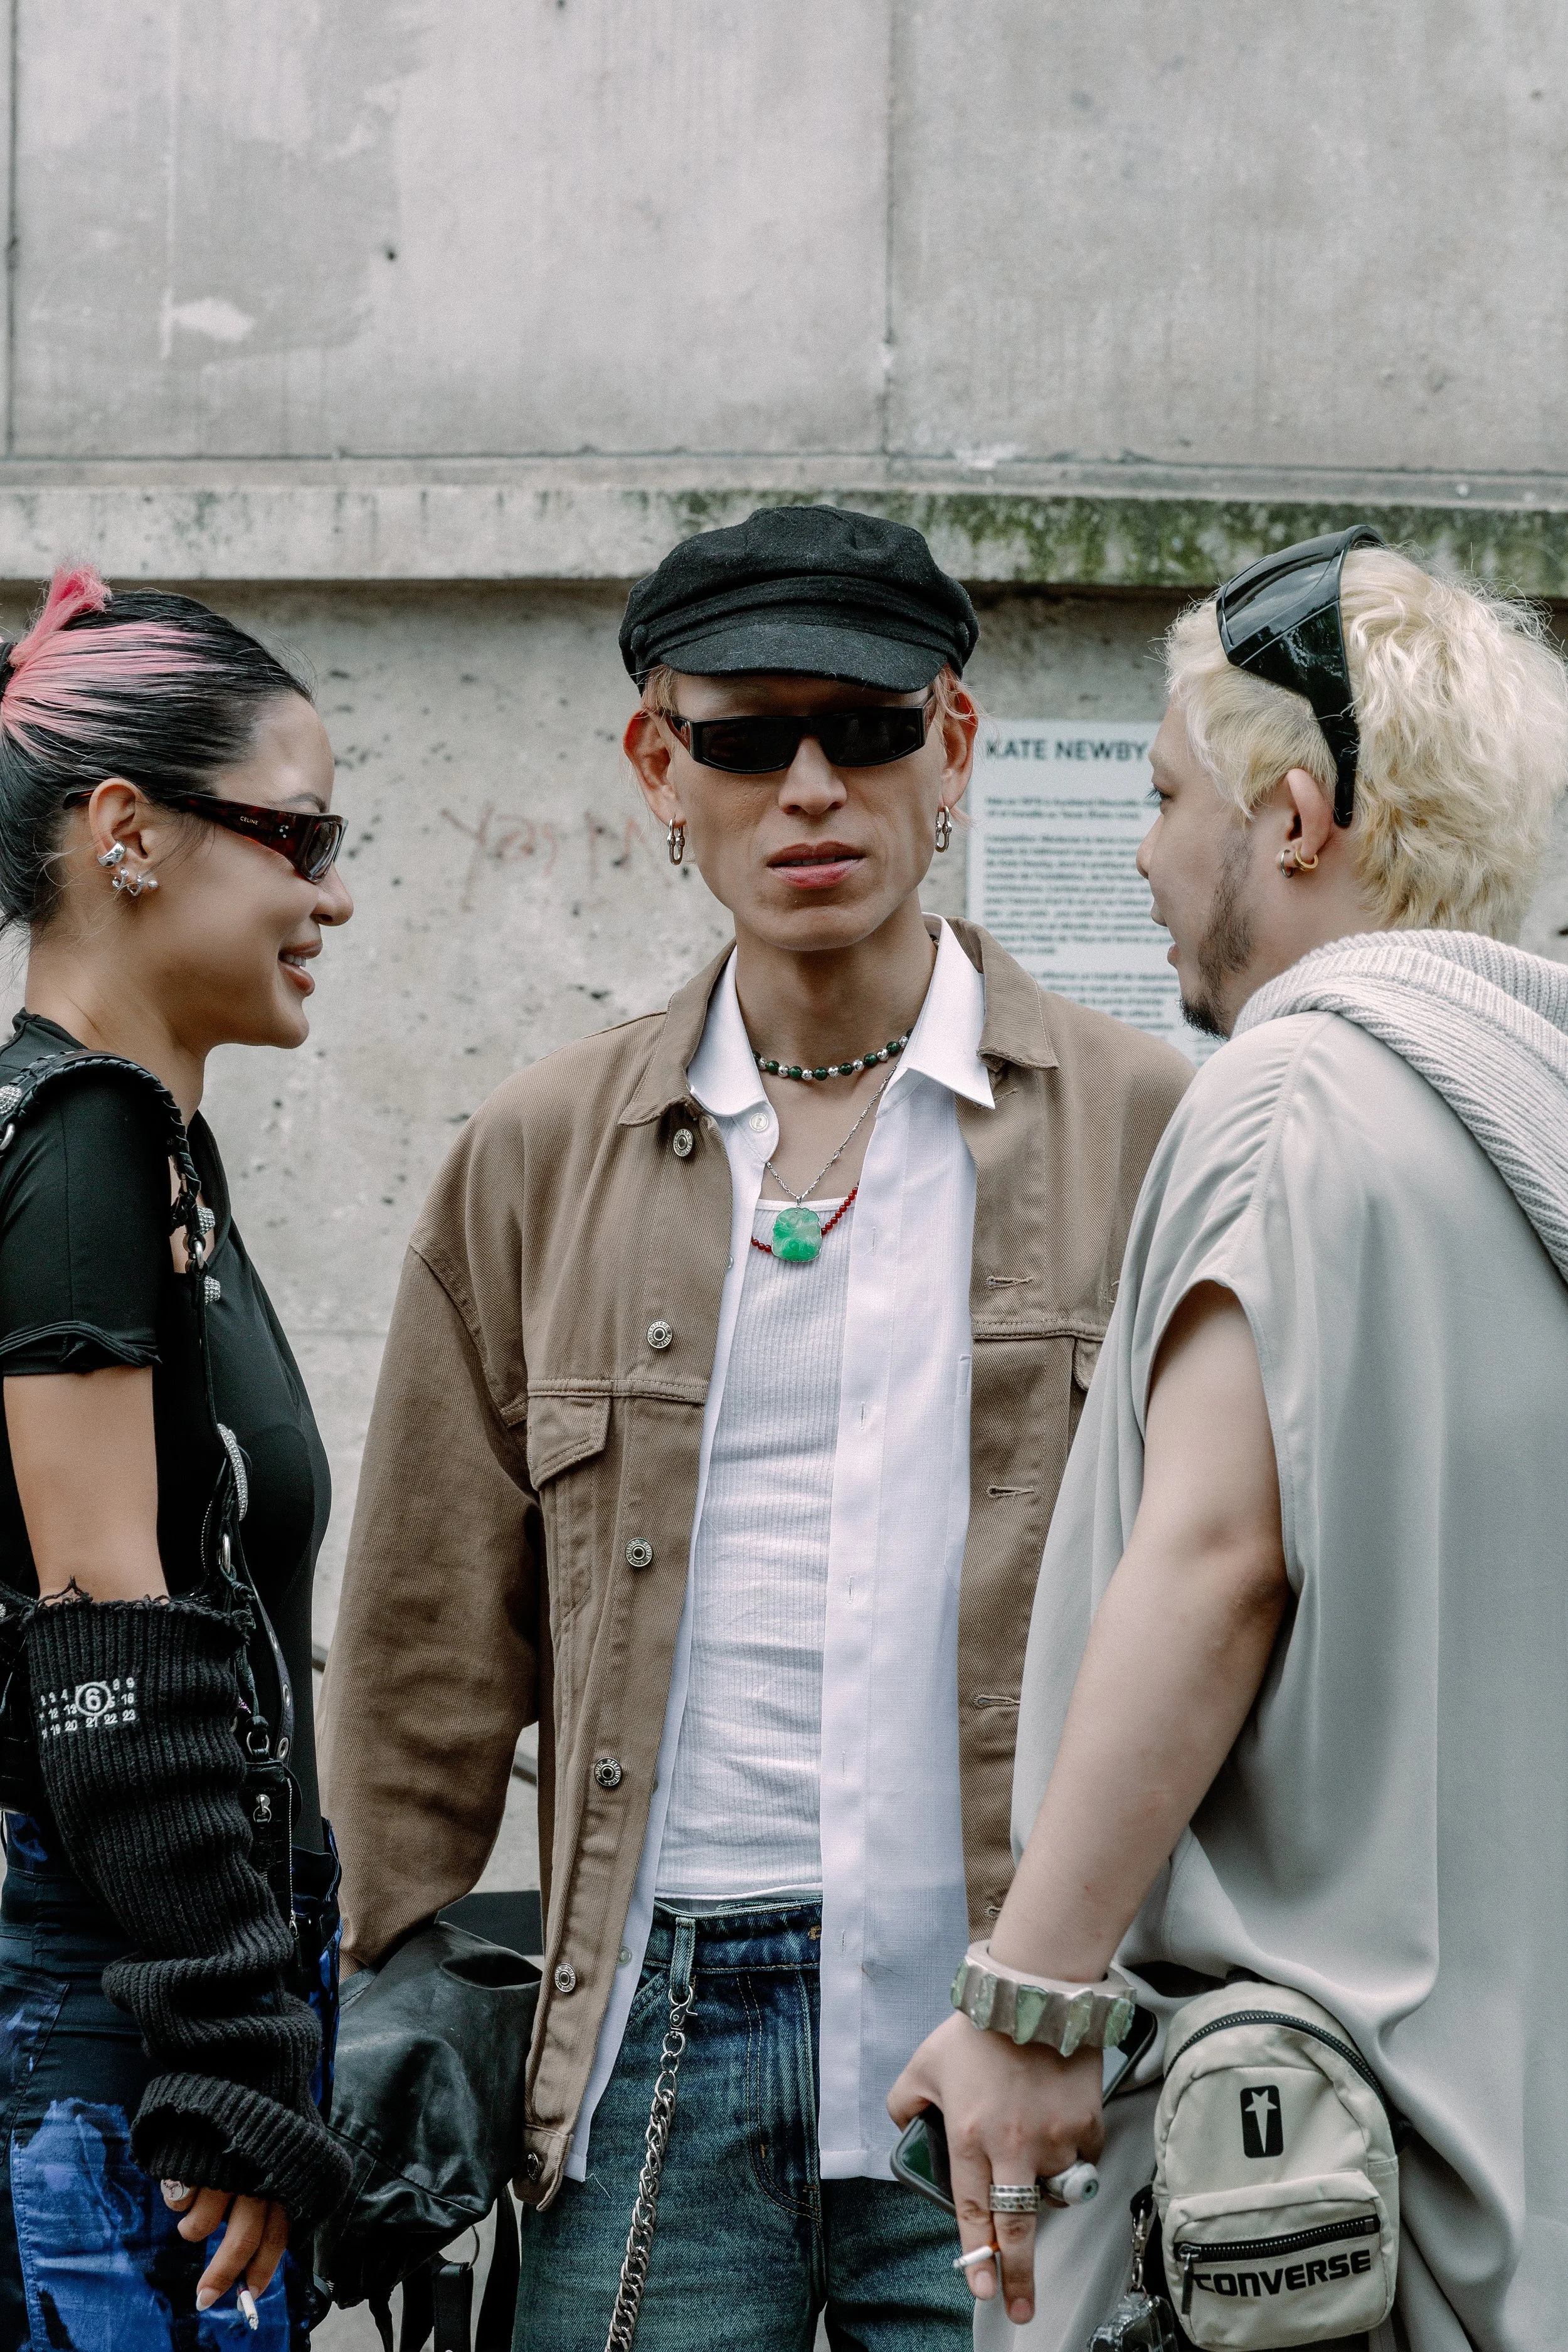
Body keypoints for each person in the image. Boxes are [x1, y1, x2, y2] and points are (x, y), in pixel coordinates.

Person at [319, 504, 1191, 2350]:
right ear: (661, 766)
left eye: (865, 728)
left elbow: (1226, 1585)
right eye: (743, 738)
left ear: (952, 746)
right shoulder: (537, 1158)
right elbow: (418, 1648)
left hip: (1015, 2013)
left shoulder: (1142, 1133)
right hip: (650, 2027)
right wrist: (392, 1980)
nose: (810, 786)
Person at [889, 530, 1568, 2351]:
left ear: (1292, 816)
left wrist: (1029, 2004)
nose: (1139, 848)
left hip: (1294, 2197)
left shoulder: (1288, 1092)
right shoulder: (1528, 1109)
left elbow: (1212, 1558)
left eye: (1164, 790)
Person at [0, 566, 356, 2349]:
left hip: (143, 1999)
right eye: (297, 834)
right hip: (114, 2035)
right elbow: (100, 1617)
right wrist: (227, 2042)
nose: (332, 892)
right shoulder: (78, 1143)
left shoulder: (141, 1147)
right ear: (127, 833)